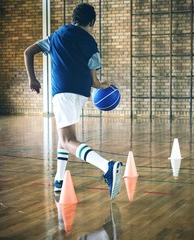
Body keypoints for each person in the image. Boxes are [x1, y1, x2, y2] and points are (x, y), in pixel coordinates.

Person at [24, 3, 122, 200]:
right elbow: (94, 81)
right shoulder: (91, 44)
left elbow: (28, 52)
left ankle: (107, 166)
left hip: (62, 93)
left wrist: (32, 79)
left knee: (68, 140)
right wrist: (102, 85)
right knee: (65, 138)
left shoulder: (56, 36)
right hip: (80, 94)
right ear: (91, 22)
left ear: (73, 18)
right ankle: (59, 180)